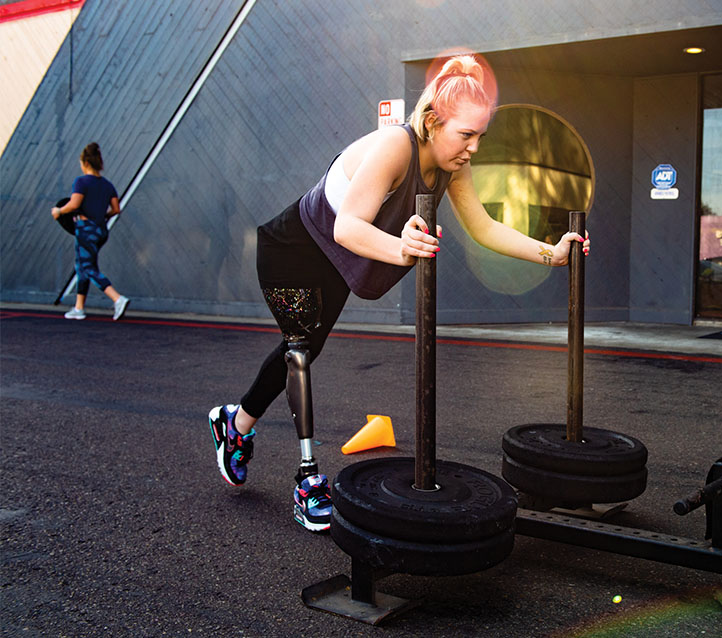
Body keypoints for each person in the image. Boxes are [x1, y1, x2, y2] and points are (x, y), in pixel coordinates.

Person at [208, 55, 590, 532]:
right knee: (300, 352)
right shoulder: (395, 144)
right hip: (293, 249)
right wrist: (401, 247)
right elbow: (348, 227)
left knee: (301, 350)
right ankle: (307, 482)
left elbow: (484, 228)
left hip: (338, 260)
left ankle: (235, 424)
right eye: (465, 135)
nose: (473, 147)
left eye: (479, 136)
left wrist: (552, 254)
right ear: (432, 122)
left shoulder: (452, 165)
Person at [51, 142, 130, 321]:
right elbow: (116, 210)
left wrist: (59, 211)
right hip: (101, 230)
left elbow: (74, 205)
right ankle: (78, 308)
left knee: (87, 267)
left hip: (86, 230)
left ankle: (117, 299)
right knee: (82, 266)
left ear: (85, 163)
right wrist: (102, 217)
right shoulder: (108, 185)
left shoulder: (81, 182)